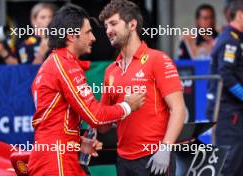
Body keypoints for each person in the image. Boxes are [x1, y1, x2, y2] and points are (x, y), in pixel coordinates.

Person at [28, 4, 145, 176]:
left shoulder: (53, 63)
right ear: (71, 36)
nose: (94, 38)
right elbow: (95, 116)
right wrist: (127, 106)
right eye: (88, 32)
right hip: (56, 161)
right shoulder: (64, 65)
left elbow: (54, 120)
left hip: (56, 155)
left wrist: (76, 142)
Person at [98, 0, 186, 175]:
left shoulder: (158, 59)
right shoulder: (110, 71)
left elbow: (178, 109)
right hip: (123, 160)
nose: (108, 31)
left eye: (114, 23)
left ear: (132, 24)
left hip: (154, 158)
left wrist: (165, 148)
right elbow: (103, 125)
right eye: (106, 26)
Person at [207, 0, 243, 175]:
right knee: (230, 161)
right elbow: (225, 75)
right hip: (227, 111)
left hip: (234, 111)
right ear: (240, 15)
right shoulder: (230, 39)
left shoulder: (236, 38)